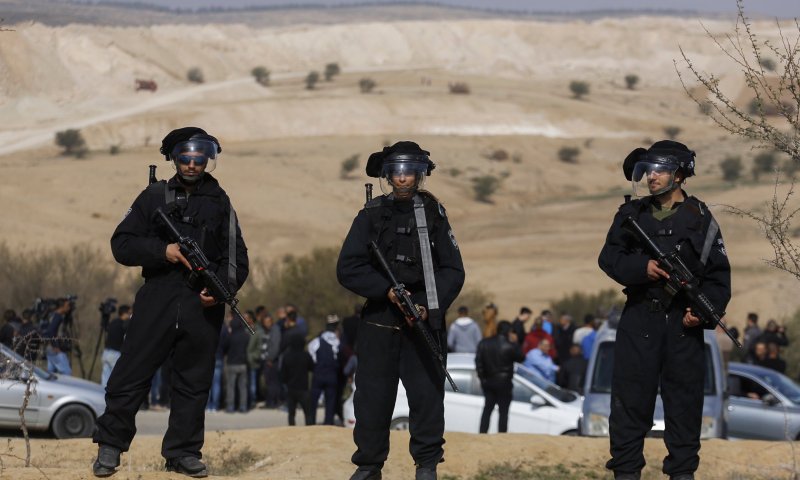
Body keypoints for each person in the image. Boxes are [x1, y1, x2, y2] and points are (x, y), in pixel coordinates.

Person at [92, 127, 249, 478]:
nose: (192, 165)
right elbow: (122, 244)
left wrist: (220, 288)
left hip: (203, 303)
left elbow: (236, 256)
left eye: (199, 158)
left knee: (194, 382)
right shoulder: (153, 197)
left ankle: (183, 452)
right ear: (173, 158)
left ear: (208, 160)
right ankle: (110, 446)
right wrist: (163, 251)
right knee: (131, 373)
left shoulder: (220, 201)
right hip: (158, 295)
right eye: (185, 158)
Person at [598, 140, 731, 480]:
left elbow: (718, 278)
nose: (651, 177)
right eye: (648, 170)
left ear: (680, 174)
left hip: (682, 327)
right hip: (640, 318)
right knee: (628, 407)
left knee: (684, 410)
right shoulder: (632, 215)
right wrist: (643, 268)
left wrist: (703, 313)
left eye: (658, 170)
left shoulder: (701, 220)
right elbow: (610, 259)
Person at [336, 141, 465, 480]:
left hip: (424, 320)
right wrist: (386, 291)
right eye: (398, 172)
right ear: (388, 175)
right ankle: (369, 465)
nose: (404, 178)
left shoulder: (433, 214)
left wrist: (427, 307)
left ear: (419, 175)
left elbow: (453, 271)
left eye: (410, 172)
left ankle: (426, 465)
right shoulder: (371, 214)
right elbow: (348, 267)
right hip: (380, 320)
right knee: (372, 399)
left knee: (426, 398)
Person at [475, 320, 523, 433]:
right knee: (503, 411)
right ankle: (502, 435)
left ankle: (482, 433)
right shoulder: (510, 346)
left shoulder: (484, 343)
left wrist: (483, 379)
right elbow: (521, 358)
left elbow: (478, 363)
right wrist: (516, 343)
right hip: (505, 383)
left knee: (487, 409)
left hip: (488, 382)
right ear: (508, 331)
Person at [308, 314, 342, 425]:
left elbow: (310, 351)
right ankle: (328, 423)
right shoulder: (337, 341)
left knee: (313, 401)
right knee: (330, 401)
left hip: (318, 374)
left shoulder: (318, 340)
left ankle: (311, 423)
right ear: (337, 326)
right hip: (332, 375)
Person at [279, 333, 314, 426]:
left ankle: (292, 430)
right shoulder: (306, 355)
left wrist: (285, 382)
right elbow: (312, 367)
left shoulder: (286, 356)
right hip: (303, 389)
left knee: (291, 413)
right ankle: (310, 430)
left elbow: (283, 374)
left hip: (291, 389)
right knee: (308, 413)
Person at [223, 310, 251, 413]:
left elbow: (225, 347)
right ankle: (243, 407)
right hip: (243, 363)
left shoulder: (230, 336)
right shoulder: (246, 336)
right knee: (242, 387)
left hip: (232, 363)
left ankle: (230, 407)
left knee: (231, 387)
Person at [101, 304, 131, 388]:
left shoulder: (113, 322)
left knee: (105, 378)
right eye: (129, 313)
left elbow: (105, 327)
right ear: (125, 313)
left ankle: (102, 396)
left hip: (106, 352)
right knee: (119, 376)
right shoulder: (124, 324)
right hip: (115, 353)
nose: (130, 316)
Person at [44, 298, 73, 375]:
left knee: (50, 374)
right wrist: (55, 346)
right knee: (67, 372)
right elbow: (51, 331)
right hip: (55, 349)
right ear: (61, 307)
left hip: (49, 348)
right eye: (67, 306)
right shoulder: (58, 317)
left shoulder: (52, 315)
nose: (69, 308)